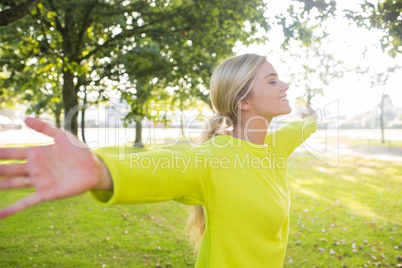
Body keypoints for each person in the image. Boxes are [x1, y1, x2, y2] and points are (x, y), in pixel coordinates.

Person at [0, 53, 317, 267]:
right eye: (272, 80)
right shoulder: (214, 160)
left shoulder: (275, 147)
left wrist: (311, 116)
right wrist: (100, 170)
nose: (285, 85)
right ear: (245, 100)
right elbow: (160, 168)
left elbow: (304, 126)